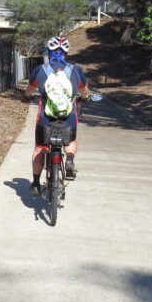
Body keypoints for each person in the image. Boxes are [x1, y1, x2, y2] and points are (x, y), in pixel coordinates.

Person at [23, 36, 91, 195]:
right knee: (71, 140)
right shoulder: (76, 70)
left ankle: (35, 183)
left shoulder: (40, 70)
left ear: (48, 52)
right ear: (66, 52)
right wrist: (85, 98)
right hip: (69, 118)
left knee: (40, 148)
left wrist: (26, 96)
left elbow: (30, 89)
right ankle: (69, 160)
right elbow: (84, 90)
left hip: (45, 119)